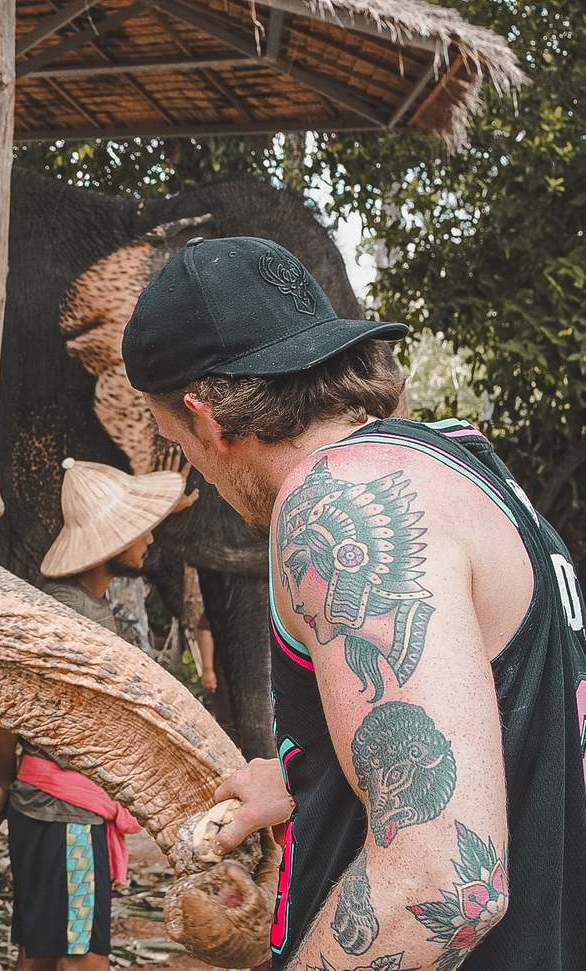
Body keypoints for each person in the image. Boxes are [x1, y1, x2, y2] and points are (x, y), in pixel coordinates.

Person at [120, 234, 585, 970]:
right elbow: (505, 732)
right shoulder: (463, 466)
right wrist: (311, 774)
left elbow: (441, 880)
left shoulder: (335, 493)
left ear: (203, 416)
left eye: (177, 440)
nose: (197, 470)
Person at [0, 456, 196, 970]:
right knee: (83, 958)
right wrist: (6, 777)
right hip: (68, 814)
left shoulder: (72, 606)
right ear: (109, 544)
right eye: (138, 529)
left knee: (39, 953)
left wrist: (14, 782)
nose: (148, 539)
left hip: (46, 810)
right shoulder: (75, 618)